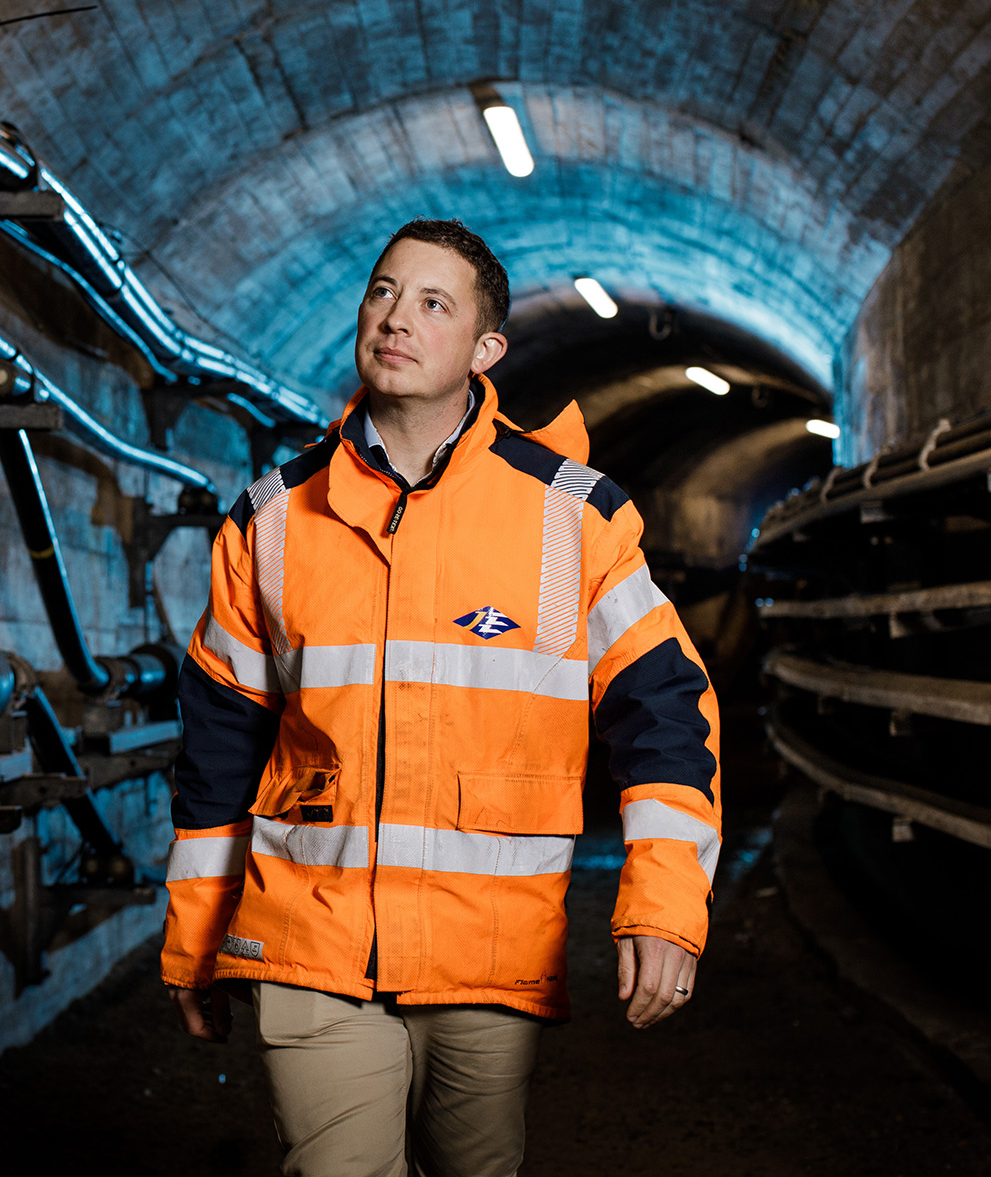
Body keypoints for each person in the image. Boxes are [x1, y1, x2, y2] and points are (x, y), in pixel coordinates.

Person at [162, 219, 722, 1177]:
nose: (397, 318)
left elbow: (665, 709)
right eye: (383, 292)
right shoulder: (272, 519)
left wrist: (664, 904)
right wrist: (193, 939)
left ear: (484, 349)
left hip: (490, 949)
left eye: (433, 303)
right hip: (311, 937)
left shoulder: (571, 515)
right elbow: (219, 744)